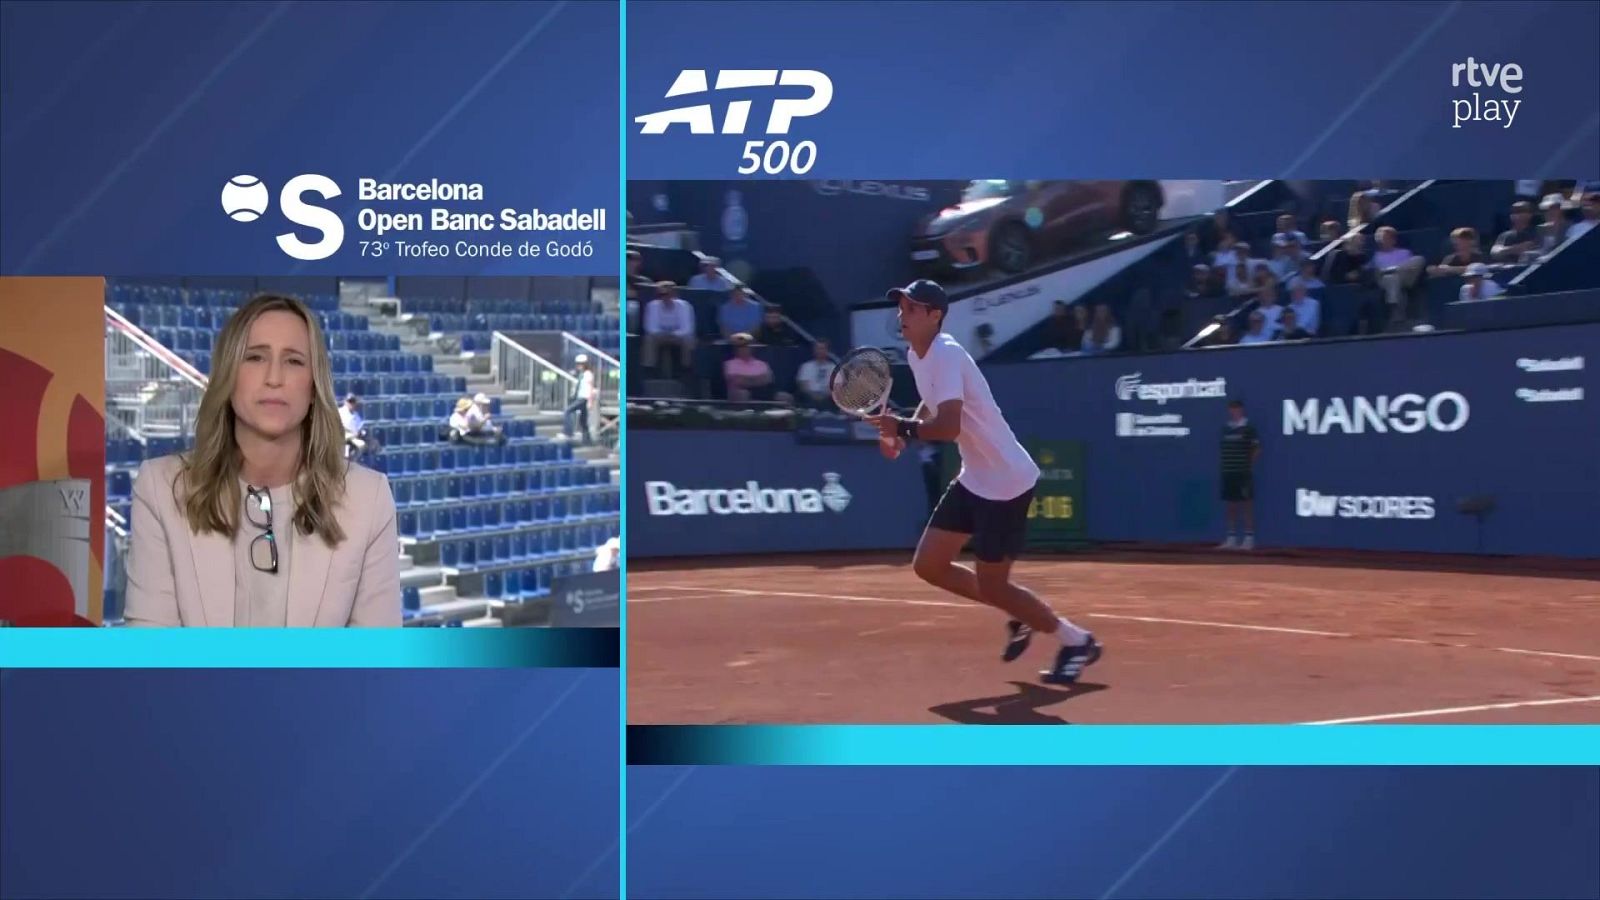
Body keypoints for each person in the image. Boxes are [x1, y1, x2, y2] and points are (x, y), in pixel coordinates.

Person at [868, 279, 1102, 684]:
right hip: (976, 477)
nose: (901, 315)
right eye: (901, 307)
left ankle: (1076, 640)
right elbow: (932, 404)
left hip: (1006, 483)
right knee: (930, 565)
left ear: (934, 315)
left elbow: (947, 426)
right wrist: (902, 432)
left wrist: (903, 429)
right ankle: (1020, 613)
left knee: (995, 585)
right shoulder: (919, 354)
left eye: (910, 308)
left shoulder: (946, 353)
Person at [123, 294, 401, 627]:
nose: (274, 377)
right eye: (255, 357)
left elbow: (372, 666)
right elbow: (154, 659)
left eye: (294, 361)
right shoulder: (161, 488)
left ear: (314, 387)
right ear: (228, 375)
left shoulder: (368, 498)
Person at [1218, 400, 1260, 551]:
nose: (1234, 411)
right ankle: (1231, 539)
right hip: (1228, 472)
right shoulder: (1225, 429)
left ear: (1242, 410)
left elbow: (1256, 449)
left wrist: (1247, 465)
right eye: (1232, 409)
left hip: (1243, 473)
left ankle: (1249, 539)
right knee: (1231, 506)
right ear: (1229, 410)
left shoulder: (1249, 429)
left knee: (1247, 505)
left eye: (1237, 409)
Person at [795, 340, 836, 409]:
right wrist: (813, 395)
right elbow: (803, 385)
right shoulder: (806, 366)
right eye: (818, 348)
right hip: (809, 396)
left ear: (827, 351)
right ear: (814, 350)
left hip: (827, 397)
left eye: (822, 348)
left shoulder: (833, 367)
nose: (820, 351)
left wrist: (824, 395)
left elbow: (836, 386)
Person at [564, 354, 595, 444]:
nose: (578, 366)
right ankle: (587, 441)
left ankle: (568, 432)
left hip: (583, 398)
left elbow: (590, 387)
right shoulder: (581, 375)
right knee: (583, 421)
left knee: (567, 411)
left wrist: (590, 401)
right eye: (578, 364)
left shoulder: (588, 374)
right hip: (580, 397)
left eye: (580, 364)